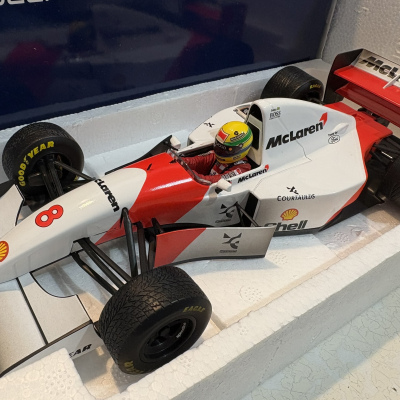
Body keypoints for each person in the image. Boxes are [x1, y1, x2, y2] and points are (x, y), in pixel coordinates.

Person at [182, 121, 253, 183]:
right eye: (219, 146)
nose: (220, 151)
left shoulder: (242, 169)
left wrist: (189, 174)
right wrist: (180, 161)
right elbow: (196, 161)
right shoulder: (216, 154)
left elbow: (212, 181)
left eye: (227, 149)